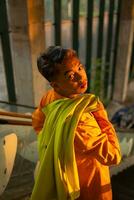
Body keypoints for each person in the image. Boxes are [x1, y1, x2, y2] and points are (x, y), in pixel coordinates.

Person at [31, 46, 121, 200]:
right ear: (55, 84)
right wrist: (101, 115)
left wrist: (57, 143)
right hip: (89, 184)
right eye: (71, 76)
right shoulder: (81, 121)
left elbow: (37, 123)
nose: (81, 77)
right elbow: (114, 156)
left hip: (66, 174)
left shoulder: (49, 98)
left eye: (80, 67)